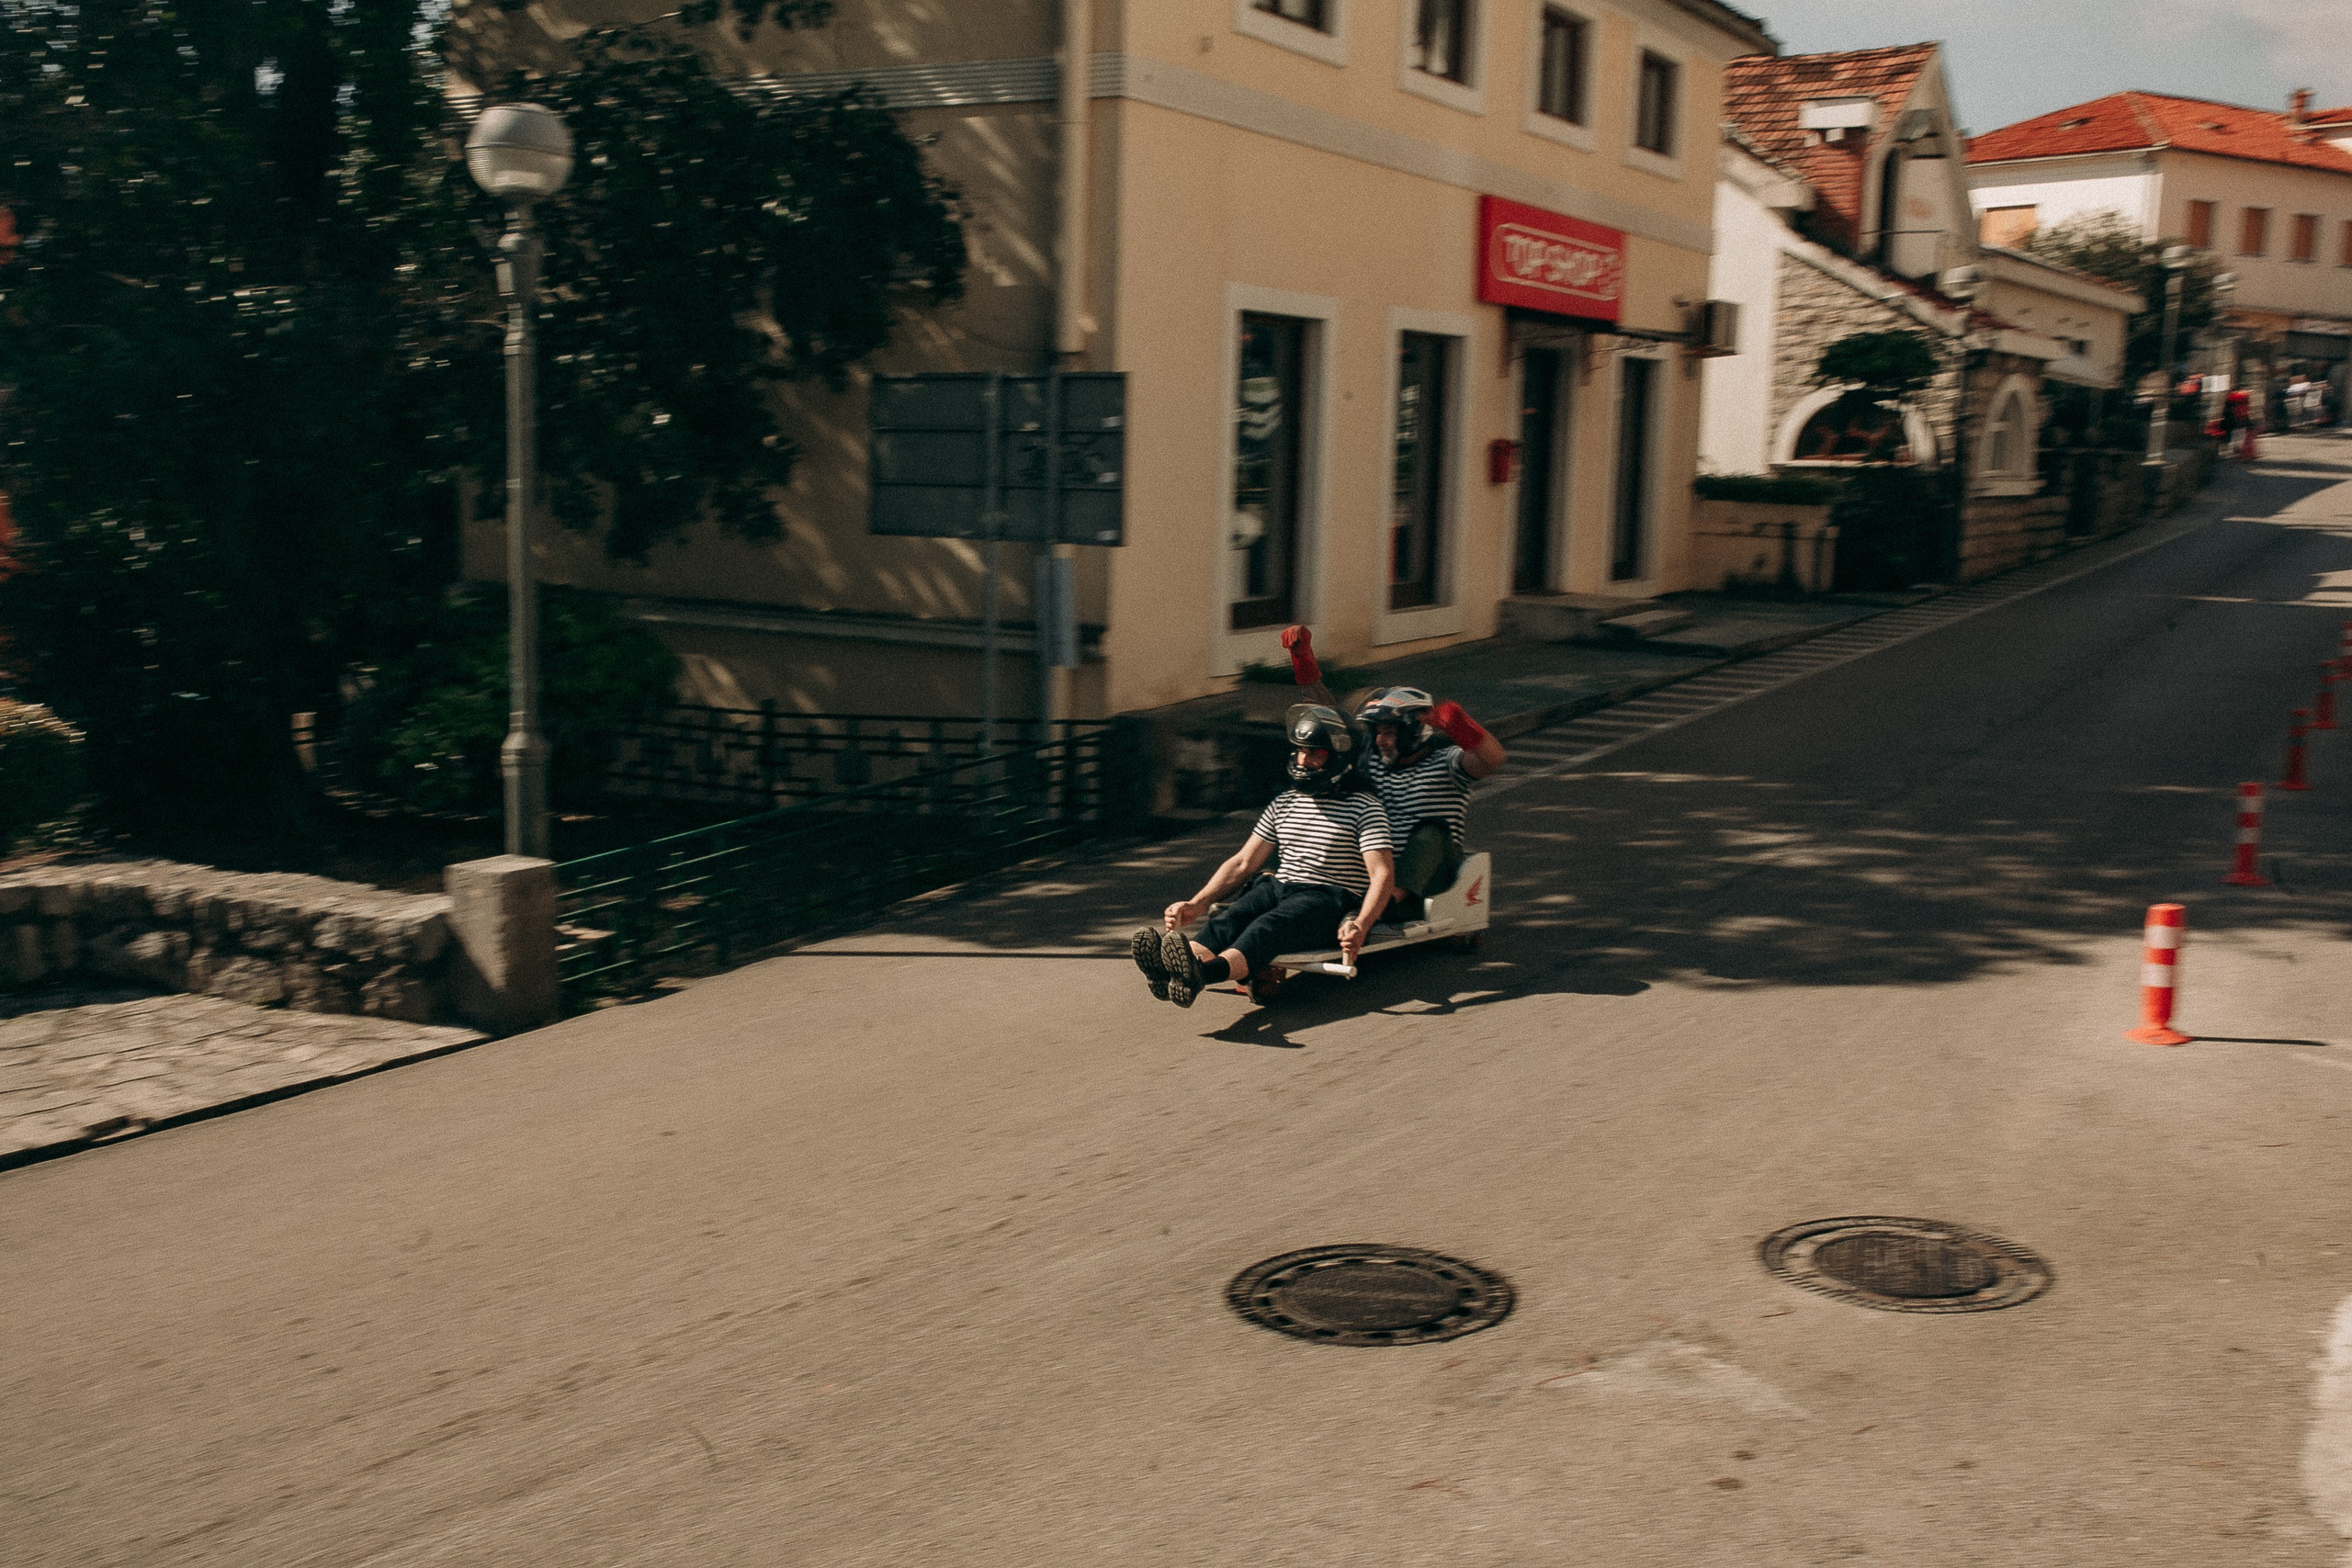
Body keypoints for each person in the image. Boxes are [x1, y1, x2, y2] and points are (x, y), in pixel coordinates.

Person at [1131, 704, 1394, 1009]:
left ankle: (1201, 974)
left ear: (1339, 757)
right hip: (1279, 886)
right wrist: (1197, 903)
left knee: (1267, 927)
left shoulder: (1365, 808)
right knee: (1229, 919)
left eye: (1315, 753)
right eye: (1300, 751)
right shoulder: (1285, 803)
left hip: (1328, 897)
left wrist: (1362, 924)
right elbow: (1244, 862)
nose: (1303, 760)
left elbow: (1382, 874)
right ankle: (1171, 969)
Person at [1353, 684, 1506, 911]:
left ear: (1412, 732)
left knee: (1431, 832)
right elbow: (1335, 725)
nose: (1379, 741)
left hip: (1435, 875)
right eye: (1377, 732)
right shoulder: (1374, 761)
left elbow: (1493, 759)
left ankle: (1388, 902)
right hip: (1381, 867)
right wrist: (1308, 674)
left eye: (1388, 732)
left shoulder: (1446, 762)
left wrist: (1460, 725)